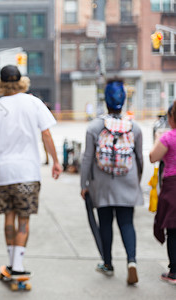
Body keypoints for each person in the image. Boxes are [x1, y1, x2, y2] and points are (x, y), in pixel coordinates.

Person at [0, 65, 62, 278]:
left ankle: (11, 264)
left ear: (0, 83)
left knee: (9, 216)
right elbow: (46, 134)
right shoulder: (34, 103)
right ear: (21, 81)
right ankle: (17, 265)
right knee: (23, 219)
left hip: (2, 173)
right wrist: (55, 161)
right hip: (27, 173)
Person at [80, 79, 143, 285]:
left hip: (102, 183)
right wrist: (137, 180)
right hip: (128, 180)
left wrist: (84, 185)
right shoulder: (134, 127)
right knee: (127, 223)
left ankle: (107, 263)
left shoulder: (95, 126)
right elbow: (139, 158)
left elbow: (87, 158)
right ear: (124, 101)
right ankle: (131, 262)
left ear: (105, 101)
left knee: (105, 223)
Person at [149, 101, 176, 285]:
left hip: (172, 185)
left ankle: (174, 271)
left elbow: (152, 157)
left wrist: (158, 139)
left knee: (173, 228)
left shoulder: (169, 137)